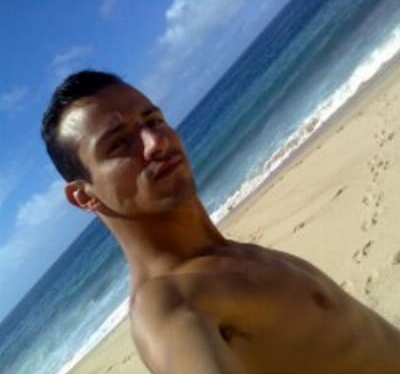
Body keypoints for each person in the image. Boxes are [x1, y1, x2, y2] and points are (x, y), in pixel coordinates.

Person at [41, 70, 400, 374]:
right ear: (84, 197)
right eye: (119, 144)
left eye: (153, 121)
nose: (155, 142)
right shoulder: (169, 304)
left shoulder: (226, 257)